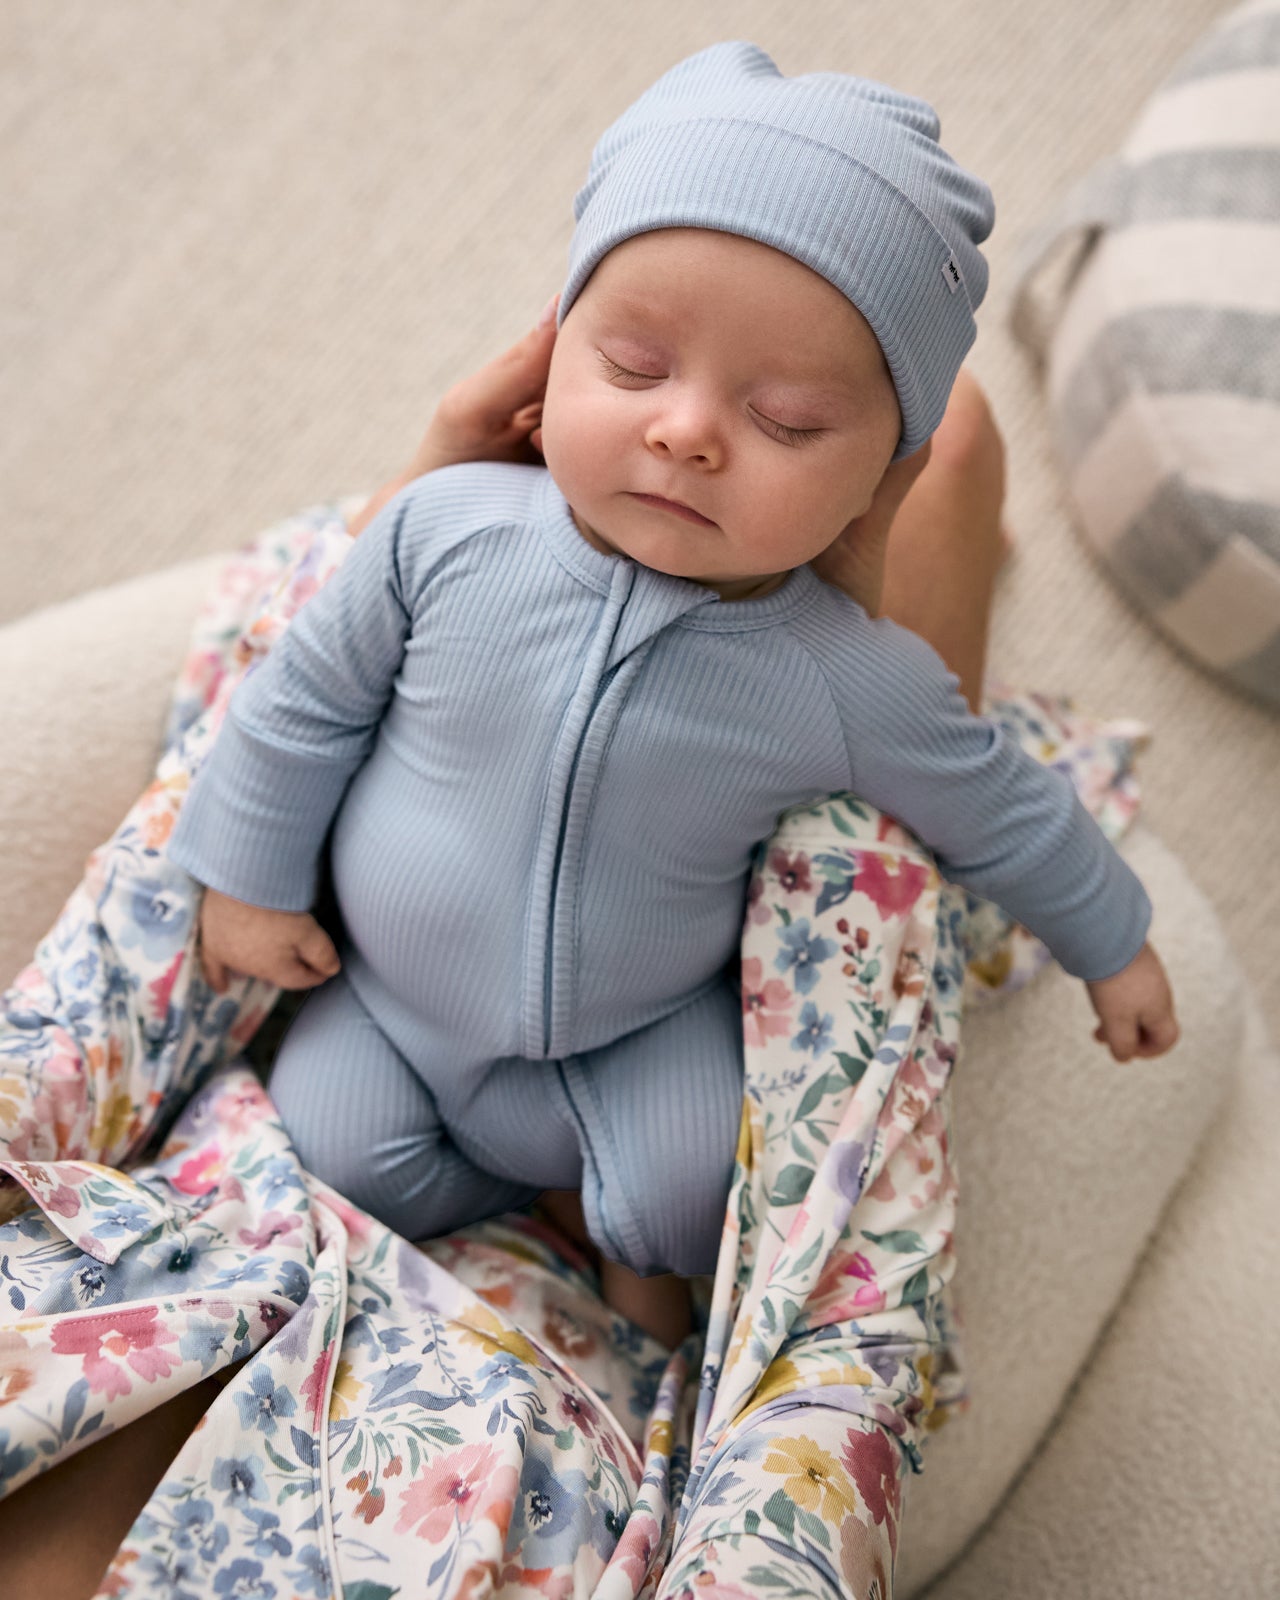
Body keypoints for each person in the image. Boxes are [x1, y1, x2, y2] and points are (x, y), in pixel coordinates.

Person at [166, 42, 1178, 1349]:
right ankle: (533, 1213)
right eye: (633, 368)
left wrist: (1118, 945)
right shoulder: (442, 533)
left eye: (792, 421)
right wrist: (244, 880)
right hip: (384, 996)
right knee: (335, 1156)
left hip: (626, 1038)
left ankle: (608, 1229)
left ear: (884, 474)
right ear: (552, 347)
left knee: (699, 1198)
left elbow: (1001, 809)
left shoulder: (841, 669)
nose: (687, 431)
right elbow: (302, 701)